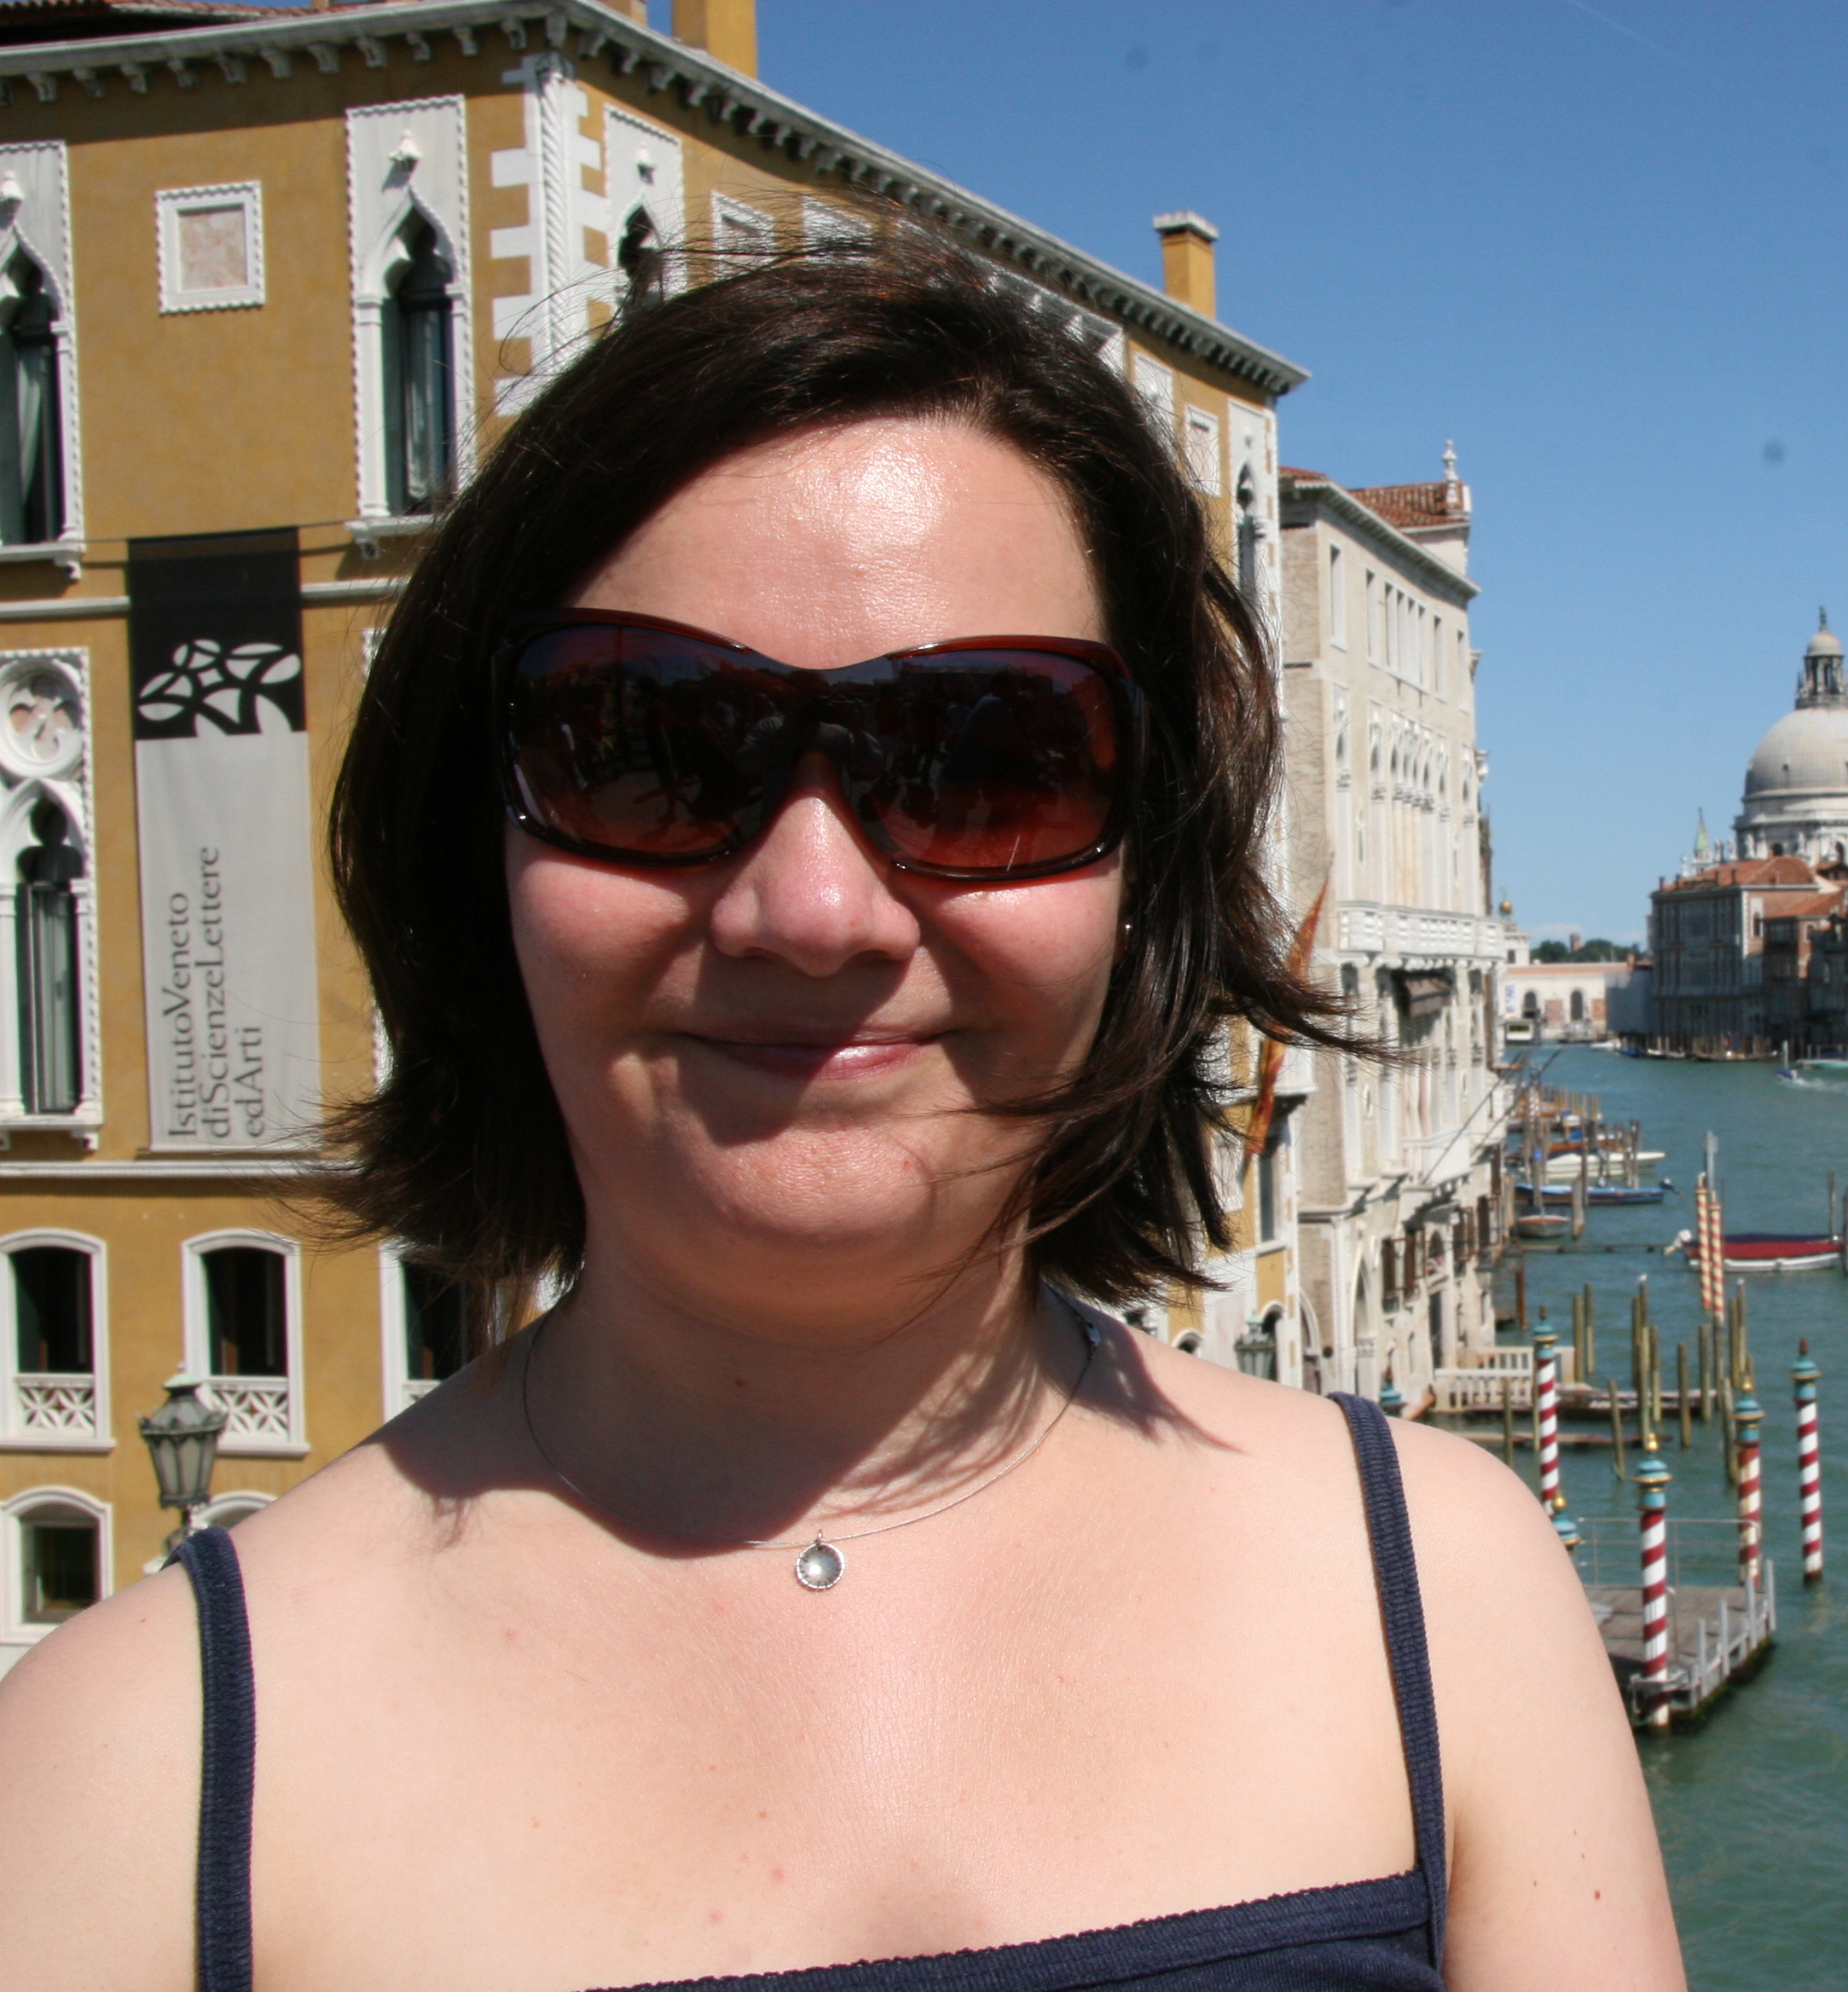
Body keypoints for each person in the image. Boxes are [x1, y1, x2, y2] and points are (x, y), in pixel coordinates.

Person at [0, 223, 1682, 1989]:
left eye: (987, 759)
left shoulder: (1449, 1603)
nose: (811, 909)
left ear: (1148, 878)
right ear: (476, 844)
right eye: (646, 746)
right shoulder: (124, 1776)